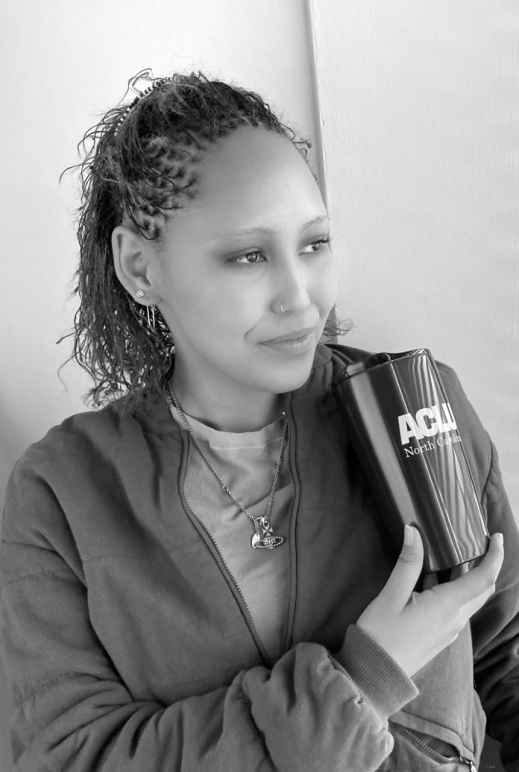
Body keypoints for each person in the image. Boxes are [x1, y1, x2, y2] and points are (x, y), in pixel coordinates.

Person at [0, 68, 518, 772]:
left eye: (313, 244)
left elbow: (505, 658)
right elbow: (64, 757)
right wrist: (359, 682)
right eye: (248, 256)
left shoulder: (417, 407)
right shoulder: (64, 492)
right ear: (138, 266)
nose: (299, 298)